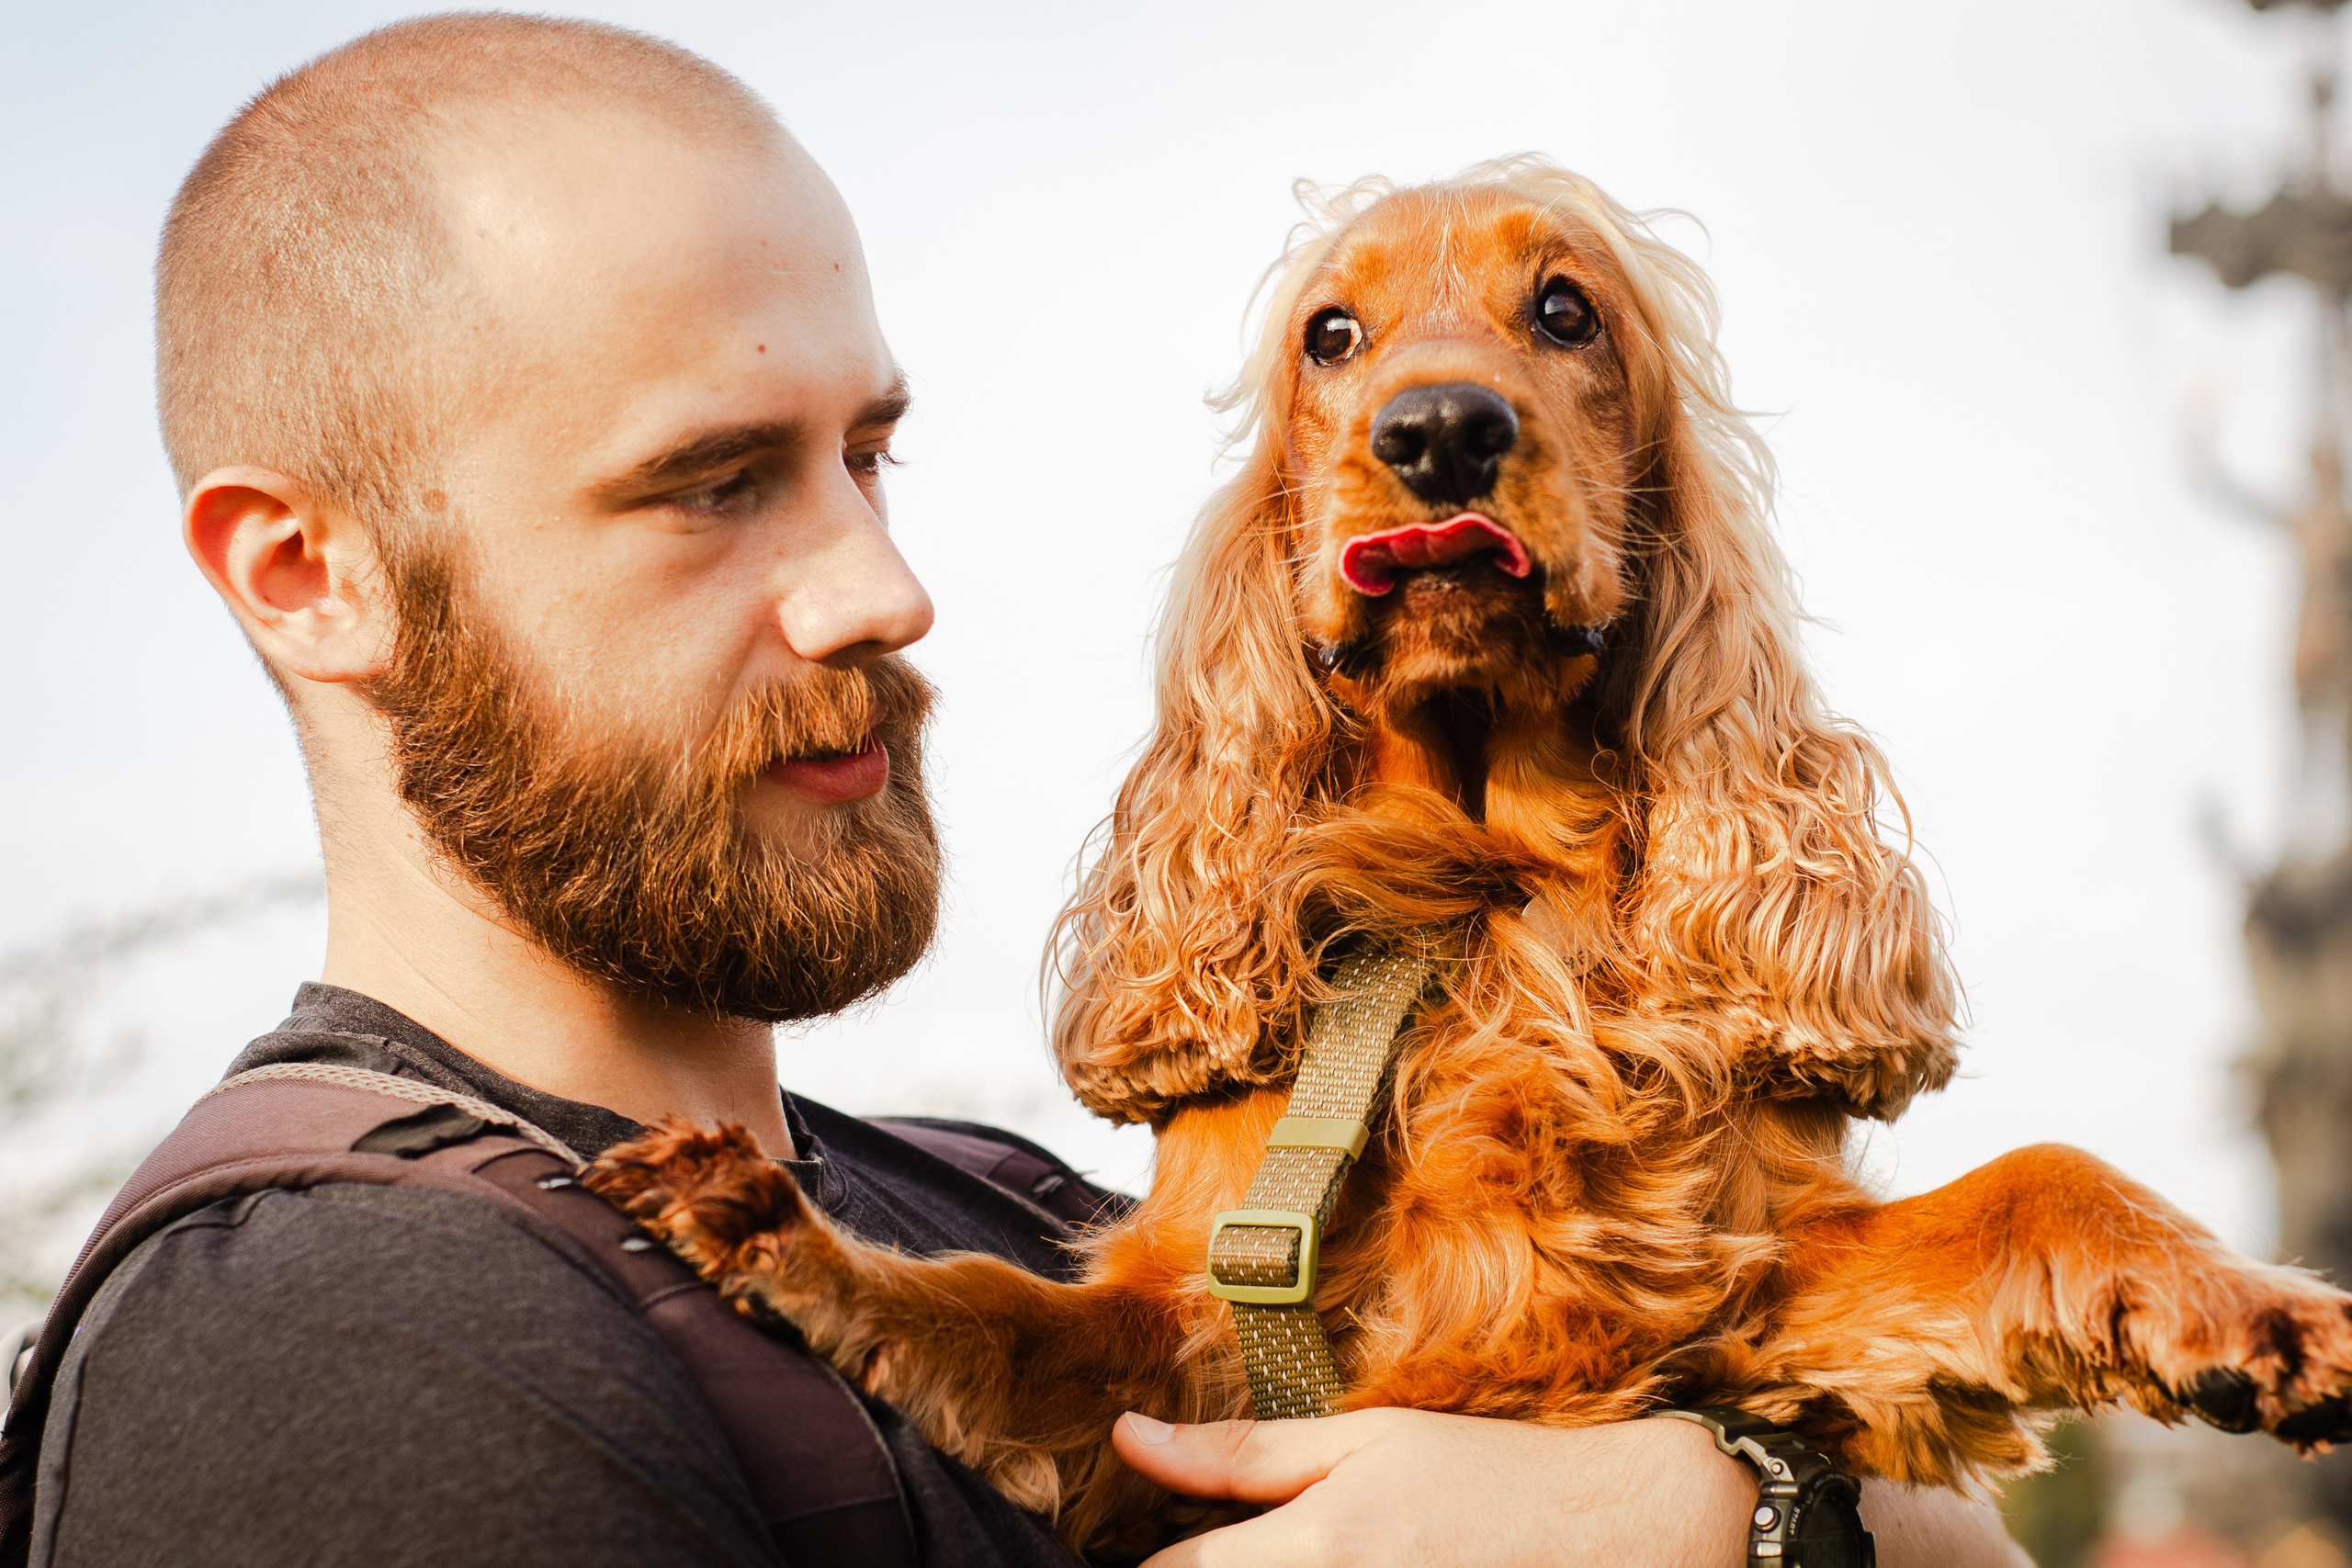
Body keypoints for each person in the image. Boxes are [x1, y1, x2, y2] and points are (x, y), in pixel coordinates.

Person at [23, 14, 2029, 1566]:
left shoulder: (1006, 1205)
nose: (885, 588)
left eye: (865, 457)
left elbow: (1942, 1525)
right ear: (315, 574)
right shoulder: (329, 1329)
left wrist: (1719, 1511)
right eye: (712, 485)